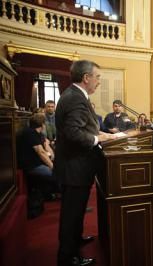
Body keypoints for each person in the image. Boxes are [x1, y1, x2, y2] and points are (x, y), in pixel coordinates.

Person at [55, 60, 116, 266]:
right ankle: (67, 257)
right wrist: (99, 139)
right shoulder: (75, 99)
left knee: (77, 211)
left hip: (77, 166)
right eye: (97, 77)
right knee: (71, 214)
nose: (99, 81)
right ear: (86, 78)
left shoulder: (77, 96)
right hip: (75, 167)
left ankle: (75, 241)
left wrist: (102, 134)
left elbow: (83, 127)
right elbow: (73, 133)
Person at [17, 113, 58, 200]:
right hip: (32, 166)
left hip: (38, 162)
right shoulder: (30, 133)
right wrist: (52, 166)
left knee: (59, 170)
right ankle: (61, 196)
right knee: (57, 174)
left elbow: (46, 146)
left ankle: (53, 194)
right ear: (42, 124)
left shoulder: (38, 133)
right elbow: (41, 152)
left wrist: (53, 157)